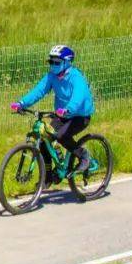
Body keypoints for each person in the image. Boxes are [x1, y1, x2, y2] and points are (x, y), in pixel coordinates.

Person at [11, 45, 95, 179]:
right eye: (51, 62)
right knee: (45, 139)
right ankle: (48, 175)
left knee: (61, 136)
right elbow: (38, 91)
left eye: (57, 62)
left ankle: (84, 156)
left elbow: (78, 97)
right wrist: (21, 103)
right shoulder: (52, 76)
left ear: (67, 63)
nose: (53, 65)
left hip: (80, 115)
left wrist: (68, 109)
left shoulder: (76, 77)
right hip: (62, 115)